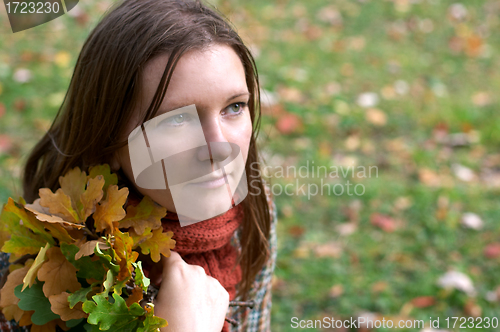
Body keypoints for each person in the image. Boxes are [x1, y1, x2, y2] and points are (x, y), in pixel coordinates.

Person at [0, 0, 277, 331]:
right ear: (109, 138)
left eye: (234, 106)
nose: (220, 149)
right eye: (177, 119)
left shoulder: (251, 217)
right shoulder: (43, 268)